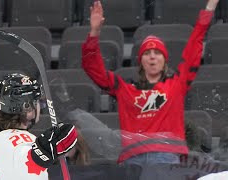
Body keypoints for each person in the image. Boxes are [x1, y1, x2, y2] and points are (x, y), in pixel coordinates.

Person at [81, 0, 219, 165]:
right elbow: (92, 68)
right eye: (147, 53)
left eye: (157, 53)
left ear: (164, 60)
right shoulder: (125, 89)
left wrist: (209, 9)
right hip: (132, 160)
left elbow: (193, 49)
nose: (152, 56)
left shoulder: (176, 84)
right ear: (141, 61)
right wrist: (94, 32)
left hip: (167, 157)